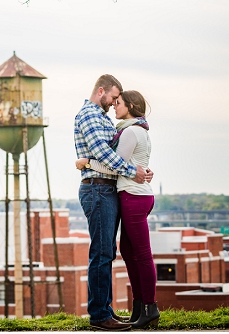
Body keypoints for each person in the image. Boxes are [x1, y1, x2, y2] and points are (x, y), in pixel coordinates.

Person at [75, 74, 153, 331]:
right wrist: (133, 172)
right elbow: (103, 154)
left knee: (107, 251)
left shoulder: (105, 119)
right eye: (112, 97)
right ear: (101, 91)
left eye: (118, 100)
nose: (113, 102)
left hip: (109, 190)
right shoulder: (89, 115)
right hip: (97, 189)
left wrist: (140, 169)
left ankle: (105, 309)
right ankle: (99, 315)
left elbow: (121, 154)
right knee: (101, 252)